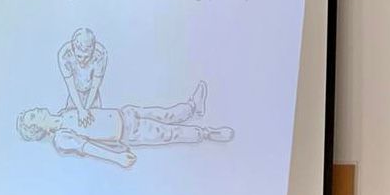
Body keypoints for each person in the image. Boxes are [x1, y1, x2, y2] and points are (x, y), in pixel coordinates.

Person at [16, 81, 231, 168]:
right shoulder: (61, 138)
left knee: (164, 114)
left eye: (32, 112)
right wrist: (117, 158)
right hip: (127, 132)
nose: (35, 111)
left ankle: (193, 107)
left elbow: (92, 106)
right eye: (32, 117)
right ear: (39, 129)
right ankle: (207, 133)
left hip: (125, 113)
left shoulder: (65, 112)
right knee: (166, 133)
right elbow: (88, 147)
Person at [57, 28, 108, 126]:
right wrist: (80, 109)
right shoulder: (64, 55)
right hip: (75, 93)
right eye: (79, 56)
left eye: (86, 57)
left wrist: (86, 110)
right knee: (70, 123)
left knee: (96, 124)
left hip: (92, 94)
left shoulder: (101, 54)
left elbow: (95, 86)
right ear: (73, 50)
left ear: (92, 51)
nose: (82, 61)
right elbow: (71, 86)